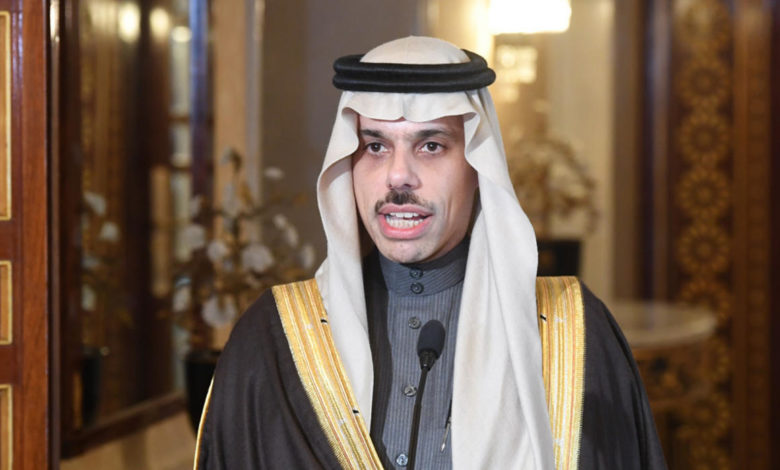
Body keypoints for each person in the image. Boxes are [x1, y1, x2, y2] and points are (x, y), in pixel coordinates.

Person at [194, 36, 666, 470]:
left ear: (477, 167)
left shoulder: (573, 335)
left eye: (431, 145)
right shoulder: (272, 342)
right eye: (375, 146)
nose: (398, 176)